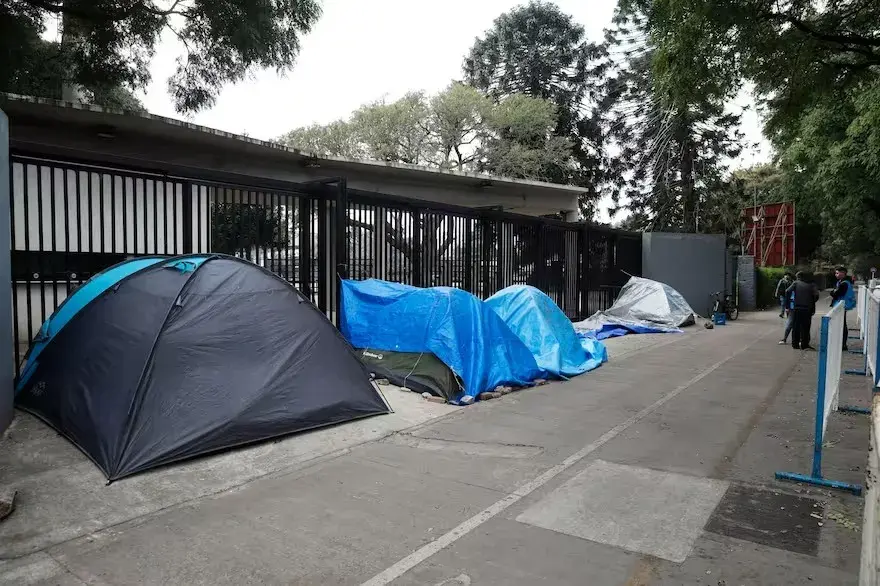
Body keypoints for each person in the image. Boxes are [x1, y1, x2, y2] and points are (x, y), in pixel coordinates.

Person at [786, 272, 819, 350]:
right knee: (806, 327)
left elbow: (787, 291)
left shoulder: (796, 283)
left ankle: (795, 344)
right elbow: (816, 296)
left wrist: (788, 304)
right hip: (807, 309)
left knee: (796, 327)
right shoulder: (812, 284)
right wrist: (811, 301)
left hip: (797, 308)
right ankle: (804, 344)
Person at [830, 266, 856, 351]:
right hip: (840, 306)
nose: (836, 274)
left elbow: (836, 294)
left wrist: (833, 292)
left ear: (843, 273)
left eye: (837, 273)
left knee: (842, 325)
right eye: (835, 273)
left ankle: (843, 344)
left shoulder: (844, 283)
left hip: (841, 306)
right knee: (841, 324)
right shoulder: (842, 282)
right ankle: (841, 343)